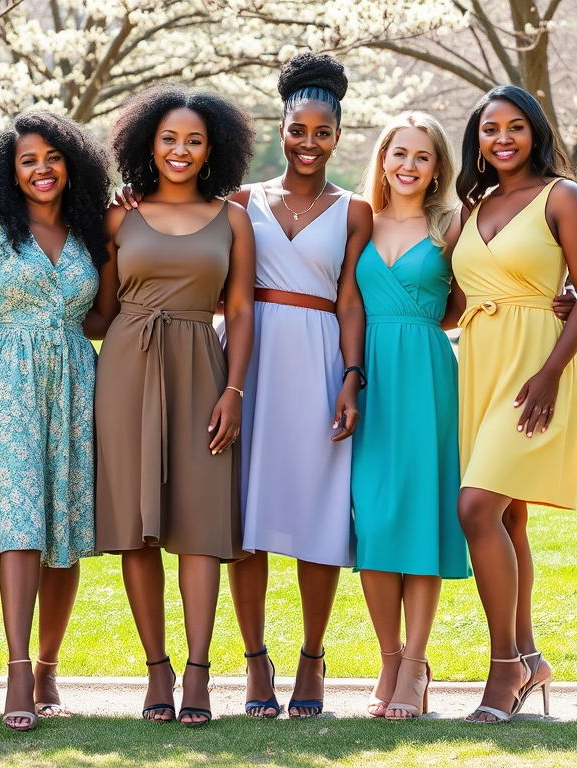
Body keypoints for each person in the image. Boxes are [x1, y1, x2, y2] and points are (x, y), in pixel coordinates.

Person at [116, 54, 369, 720]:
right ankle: (254, 661)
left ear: (338, 136)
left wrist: (350, 375)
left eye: (322, 132)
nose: (308, 142)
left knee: (318, 516)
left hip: (310, 360)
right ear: (278, 130)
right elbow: (195, 280)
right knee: (244, 520)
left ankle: (313, 658)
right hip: (242, 364)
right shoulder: (241, 202)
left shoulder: (355, 211)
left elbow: (349, 302)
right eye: (297, 130)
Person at [91, 85, 256, 727]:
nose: (181, 151)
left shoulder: (232, 218)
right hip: (127, 369)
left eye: (193, 140)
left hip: (202, 371)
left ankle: (197, 672)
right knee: (136, 526)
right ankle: (156, 669)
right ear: (147, 145)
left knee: (199, 525)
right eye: (168, 139)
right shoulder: (116, 217)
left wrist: (234, 390)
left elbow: (239, 310)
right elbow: (99, 312)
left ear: (213, 148)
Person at [0, 110, 111, 732]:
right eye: (28, 160)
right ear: (10, 172)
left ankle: (49, 666)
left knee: (62, 532)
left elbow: (101, 318)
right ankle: (18, 669)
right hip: (8, 382)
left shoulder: (91, 231)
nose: (41, 169)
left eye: (52, 157)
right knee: (20, 528)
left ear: (72, 163)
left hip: (75, 382)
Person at [451, 85, 577, 722]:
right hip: (480, 364)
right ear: (478, 141)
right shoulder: (472, 204)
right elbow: (454, 304)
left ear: (535, 133)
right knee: (508, 520)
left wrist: (549, 376)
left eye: (516, 127)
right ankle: (531, 657)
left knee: (476, 508)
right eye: (490, 129)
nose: (503, 139)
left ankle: (504, 669)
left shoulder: (561, 196)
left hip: (535, 371)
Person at [352, 112, 470, 720]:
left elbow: (468, 303)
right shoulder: (358, 220)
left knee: (422, 517)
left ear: (437, 167)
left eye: (422, 157)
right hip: (366, 375)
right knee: (373, 518)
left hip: (426, 373)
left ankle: (417, 664)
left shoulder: (451, 225)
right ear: (382, 158)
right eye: (399, 153)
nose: (408, 166)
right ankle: (389, 655)